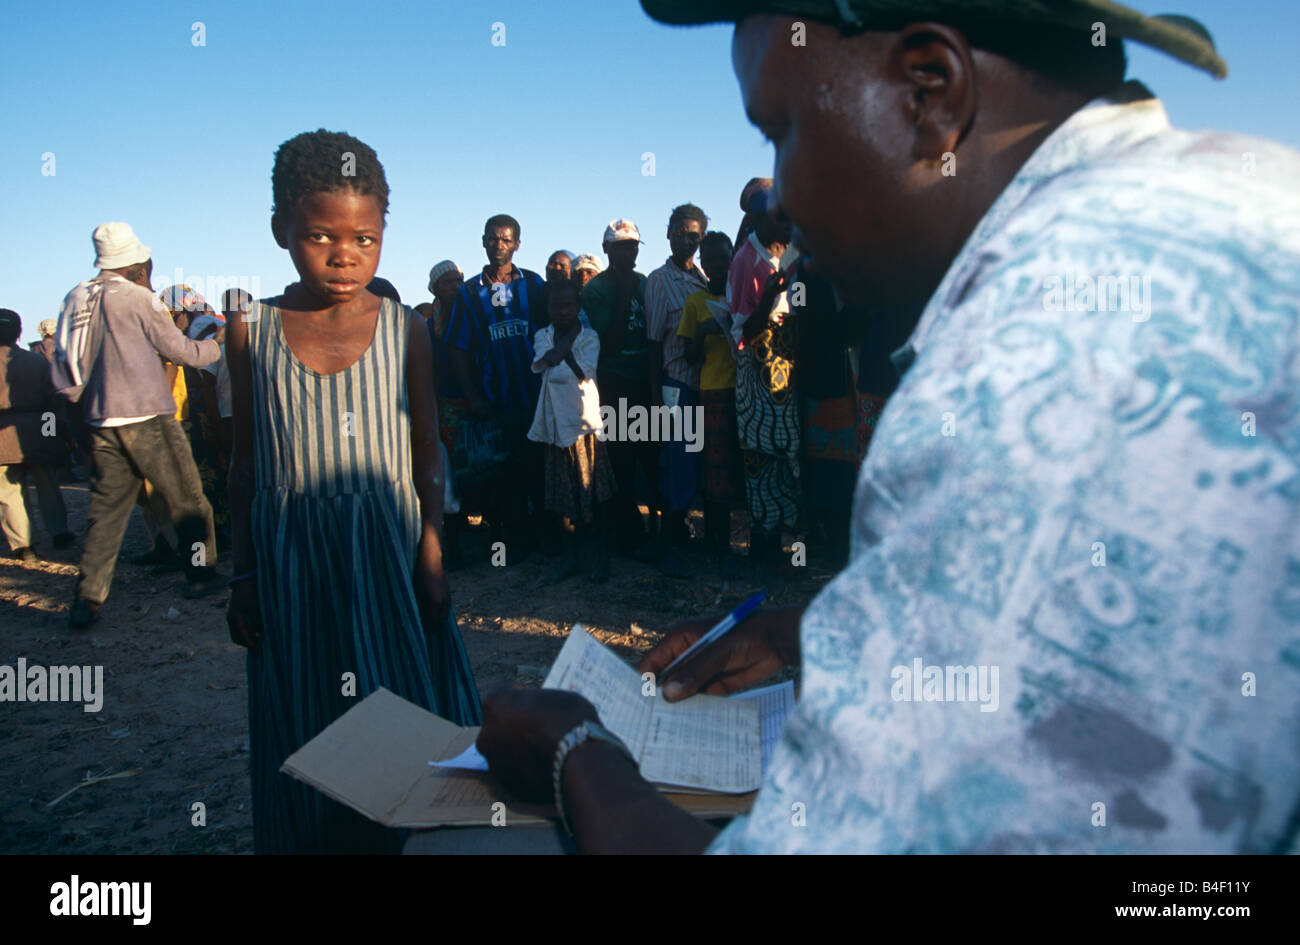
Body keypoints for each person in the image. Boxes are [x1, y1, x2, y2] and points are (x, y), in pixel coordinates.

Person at [477, 0, 1299, 855]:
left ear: (931, 94)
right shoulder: (1232, 195)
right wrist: (823, 633)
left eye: (783, 129)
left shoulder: (1034, 372)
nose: (782, 197)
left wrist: (577, 748)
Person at [225, 129, 481, 854]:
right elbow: (244, 464)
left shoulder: (406, 330)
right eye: (320, 235)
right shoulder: (251, 331)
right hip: (292, 561)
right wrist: (243, 571)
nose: (345, 254)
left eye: (365, 238)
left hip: (386, 554)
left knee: (400, 703)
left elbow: (426, 451)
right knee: (304, 713)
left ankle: (409, 841)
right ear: (282, 230)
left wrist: (431, 549)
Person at [60, 223, 224, 627]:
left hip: (99, 419)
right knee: (187, 500)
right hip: (147, 416)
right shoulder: (139, 298)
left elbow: (66, 369)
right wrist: (219, 344)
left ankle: (87, 600)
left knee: (106, 512)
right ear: (137, 267)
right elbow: (181, 351)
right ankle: (201, 576)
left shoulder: (75, 297)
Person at [443, 214, 548, 562]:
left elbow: (555, 332)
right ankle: (507, 545)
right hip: (494, 401)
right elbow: (457, 347)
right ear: (484, 241)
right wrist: (473, 395)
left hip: (534, 397)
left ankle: (543, 541)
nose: (499, 245)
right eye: (493, 238)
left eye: (506, 239)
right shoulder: (469, 292)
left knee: (538, 468)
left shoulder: (534, 285)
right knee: (502, 474)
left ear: (517, 244)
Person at [580, 219, 658, 560]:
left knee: (652, 458)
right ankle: (624, 534)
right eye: (621, 246)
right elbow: (609, 343)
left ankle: (659, 535)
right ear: (607, 249)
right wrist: (625, 293)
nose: (629, 252)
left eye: (633, 245)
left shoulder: (647, 283)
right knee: (622, 460)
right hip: (615, 382)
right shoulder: (595, 290)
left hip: (647, 380)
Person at [729, 196, 800, 572]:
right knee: (761, 460)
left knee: (785, 460)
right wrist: (771, 296)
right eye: (781, 217)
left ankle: (780, 549)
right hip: (759, 376)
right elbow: (743, 330)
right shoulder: (745, 261)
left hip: (787, 375)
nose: (789, 223)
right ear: (759, 219)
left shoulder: (791, 253)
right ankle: (764, 552)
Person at [527, 280, 614, 584]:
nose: (563, 312)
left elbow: (581, 372)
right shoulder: (543, 335)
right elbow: (547, 361)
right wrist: (565, 348)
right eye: (556, 306)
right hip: (555, 426)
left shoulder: (589, 337)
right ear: (548, 309)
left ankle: (602, 557)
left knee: (597, 494)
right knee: (562, 497)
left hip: (584, 425)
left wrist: (562, 355)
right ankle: (571, 557)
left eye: (569, 306)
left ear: (578, 308)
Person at [645, 204, 710, 562]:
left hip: (707, 385)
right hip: (675, 384)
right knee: (679, 458)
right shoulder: (658, 280)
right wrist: (656, 393)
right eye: (681, 232)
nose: (687, 240)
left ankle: (682, 527)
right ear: (668, 234)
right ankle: (671, 535)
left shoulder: (703, 278)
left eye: (694, 234)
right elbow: (653, 343)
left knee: (697, 459)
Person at [678, 232, 744, 576]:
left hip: (748, 390)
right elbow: (688, 356)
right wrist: (704, 332)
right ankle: (717, 543)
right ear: (702, 263)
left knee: (745, 466)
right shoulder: (695, 303)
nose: (718, 264)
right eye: (711, 259)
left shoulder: (744, 298)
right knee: (716, 468)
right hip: (714, 390)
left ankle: (751, 541)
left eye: (724, 257)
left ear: (733, 258)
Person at [0, 309, 73, 559]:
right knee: (47, 485)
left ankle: (23, 545)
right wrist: (53, 434)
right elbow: (54, 401)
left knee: (9, 492)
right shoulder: (37, 362)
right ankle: (59, 532)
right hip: (38, 428)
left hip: (1, 435)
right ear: (18, 333)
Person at [423, 260, 470, 569]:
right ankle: (454, 543)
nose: (454, 287)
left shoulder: (471, 318)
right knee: (449, 473)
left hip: (473, 404)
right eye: (447, 282)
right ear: (435, 288)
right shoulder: (428, 327)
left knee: (477, 467)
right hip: (443, 407)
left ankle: (496, 544)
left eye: (457, 281)